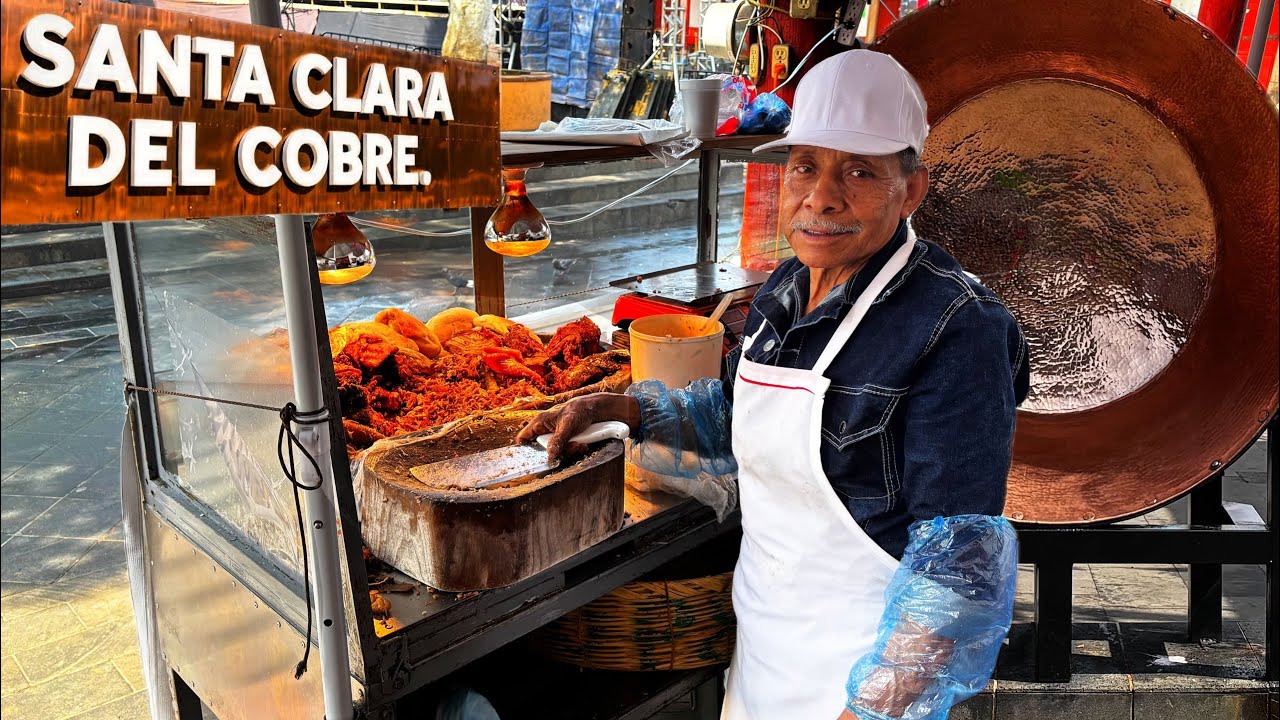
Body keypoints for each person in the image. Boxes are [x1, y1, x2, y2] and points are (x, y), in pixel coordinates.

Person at [519, 49, 1030, 720]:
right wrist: (631, 410)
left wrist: (874, 708)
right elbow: (738, 415)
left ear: (912, 189)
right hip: (764, 658)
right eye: (805, 167)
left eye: (859, 171)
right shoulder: (787, 287)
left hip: (868, 683)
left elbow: (957, 571)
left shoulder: (958, 329)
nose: (822, 197)